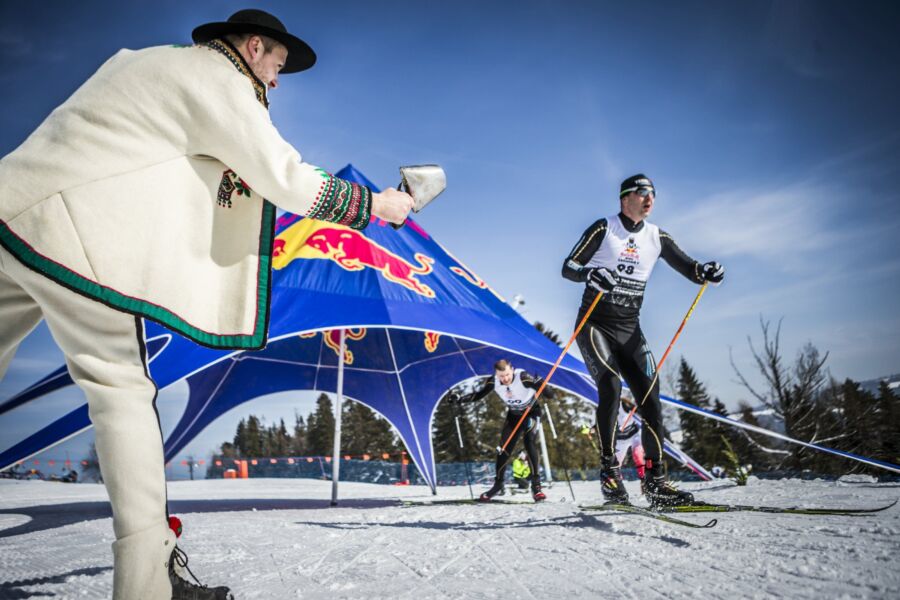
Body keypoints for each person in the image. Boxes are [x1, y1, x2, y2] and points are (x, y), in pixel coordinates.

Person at [0, 9, 413, 600]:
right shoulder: (217, 77)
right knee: (120, 388)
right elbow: (284, 177)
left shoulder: (144, 62)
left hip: (9, 213)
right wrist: (376, 206)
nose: (277, 78)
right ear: (251, 46)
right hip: (67, 237)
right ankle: (147, 585)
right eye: (277, 63)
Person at [561, 173, 724, 507]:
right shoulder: (603, 228)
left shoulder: (657, 237)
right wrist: (590, 273)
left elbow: (691, 269)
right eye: (641, 193)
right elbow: (569, 266)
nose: (649, 198)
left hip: (630, 328)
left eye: (653, 193)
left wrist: (707, 272)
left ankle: (656, 481)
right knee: (610, 385)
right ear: (625, 199)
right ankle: (609, 473)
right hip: (595, 324)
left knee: (650, 397)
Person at [454, 359, 552, 502]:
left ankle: (536, 487)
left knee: (529, 441)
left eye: (507, 374)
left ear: (512, 369)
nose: (505, 379)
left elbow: (550, 395)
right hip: (513, 415)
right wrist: (459, 399)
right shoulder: (493, 381)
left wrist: (541, 384)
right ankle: (498, 485)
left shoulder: (523, 377)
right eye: (501, 376)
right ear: (496, 374)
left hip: (531, 412)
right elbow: (478, 395)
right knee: (503, 449)